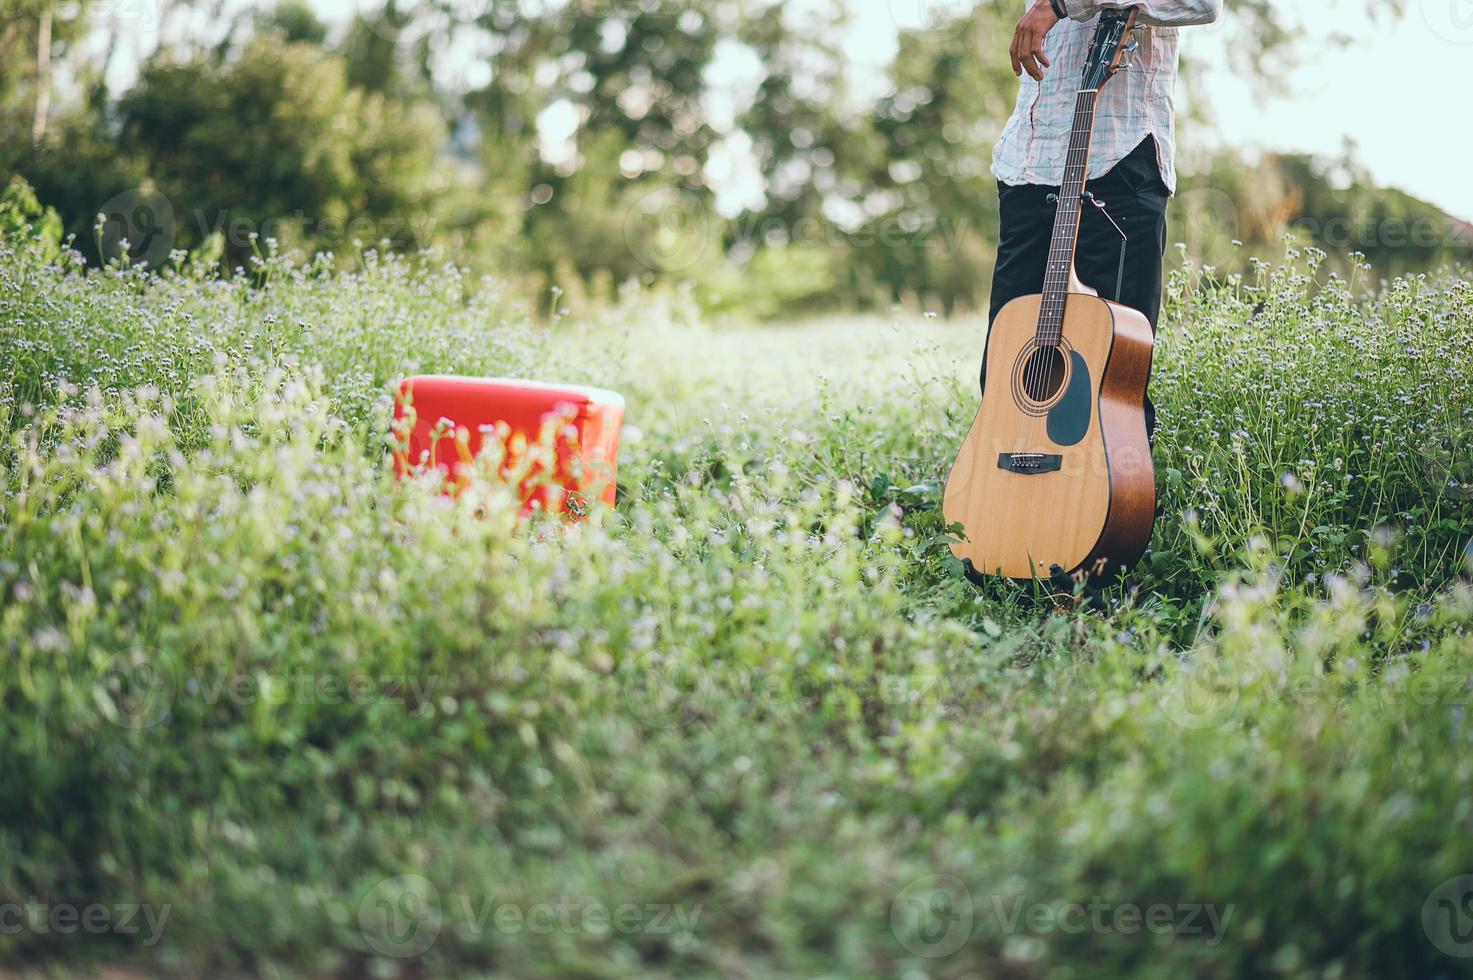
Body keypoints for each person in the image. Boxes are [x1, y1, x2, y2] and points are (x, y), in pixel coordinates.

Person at [988, 0, 1223, 438]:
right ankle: (1006, 502)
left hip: (1115, 162)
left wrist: (1060, 5)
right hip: (1029, 162)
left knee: (1107, 385)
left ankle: (1103, 506)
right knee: (1005, 376)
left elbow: (1203, 5)